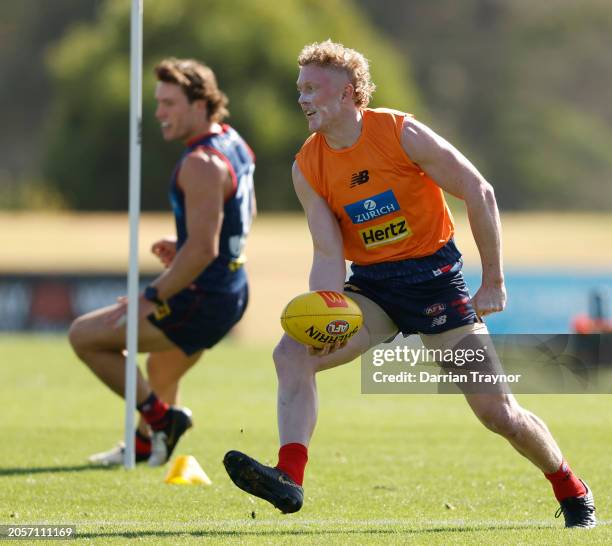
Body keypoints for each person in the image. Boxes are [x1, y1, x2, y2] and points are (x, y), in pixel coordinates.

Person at [222, 41, 596, 528]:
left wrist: (494, 280)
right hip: (374, 288)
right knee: (291, 354)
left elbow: (478, 190)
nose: (302, 98)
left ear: (349, 93)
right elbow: (327, 249)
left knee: (497, 413)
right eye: (300, 89)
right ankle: (290, 476)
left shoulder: (399, 132)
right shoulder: (307, 165)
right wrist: (328, 307)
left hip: (436, 282)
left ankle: (571, 488)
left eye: (313, 88)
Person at [70, 57, 255, 466]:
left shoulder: (200, 163)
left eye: (169, 103)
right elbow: (236, 221)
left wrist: (151, 297)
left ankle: (161, 420)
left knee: (84, 336)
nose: (159, 113)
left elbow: (204, 250)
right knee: (160, 370)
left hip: (203, 298)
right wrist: (184, 240)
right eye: (158, 103)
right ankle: (140, 446)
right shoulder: (233, 141)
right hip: (232, 288)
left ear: (200, 104)